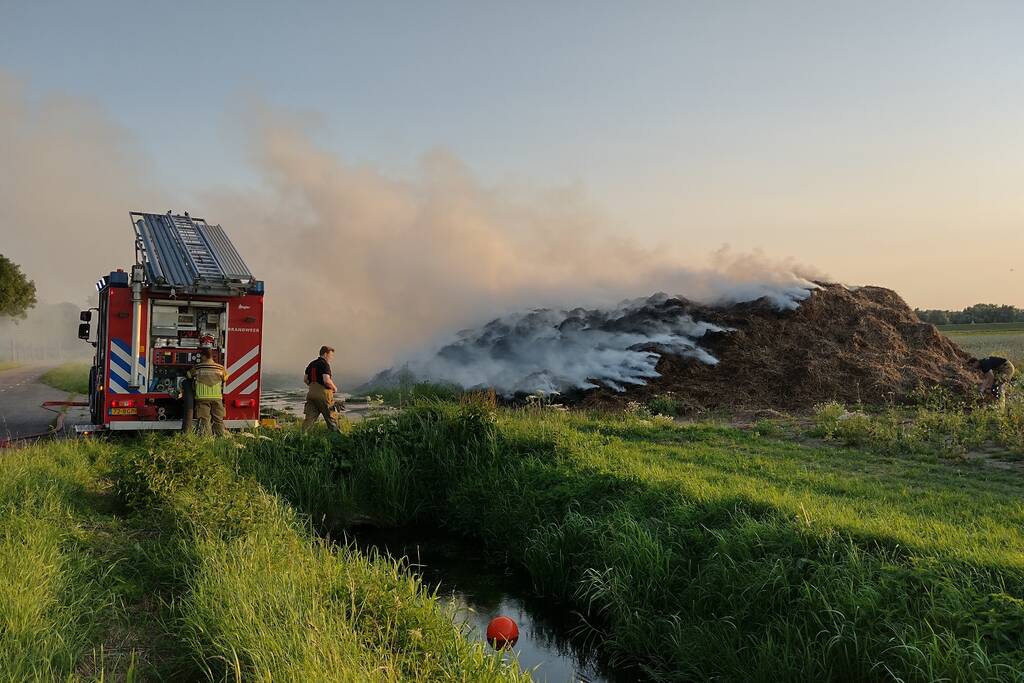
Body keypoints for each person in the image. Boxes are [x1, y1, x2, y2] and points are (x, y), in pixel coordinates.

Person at [187, 348, 229, 436]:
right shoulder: (220, 368)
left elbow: (189, 375)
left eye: (201, 356)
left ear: (204, 356)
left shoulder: (198, 367)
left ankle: (206, 439)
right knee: (218, 419)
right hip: (217, 398)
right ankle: (220, 437)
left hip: (202, 398)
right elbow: (225, 378)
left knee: (204, 419)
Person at [303, 345, 340, 432]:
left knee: (309, 419)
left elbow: (305, 379)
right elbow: (326, 380)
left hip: (311, 394)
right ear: (325, 354)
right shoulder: (325, 364)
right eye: (331, 355)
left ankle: (303, 438)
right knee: (331, 418)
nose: (331, 357)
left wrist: (313, 386)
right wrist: (334, 388)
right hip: (323, 395)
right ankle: (337, 439)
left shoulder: (311, 364)